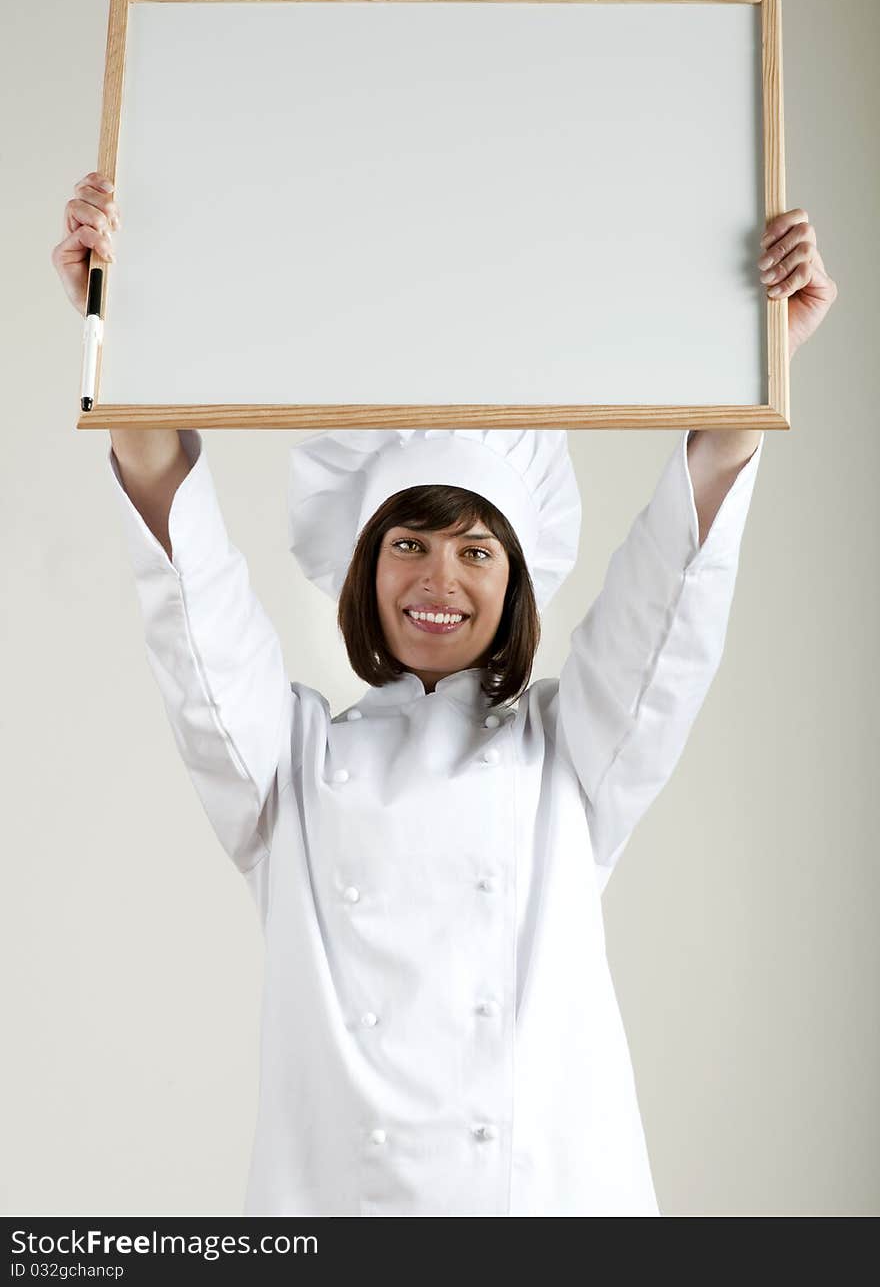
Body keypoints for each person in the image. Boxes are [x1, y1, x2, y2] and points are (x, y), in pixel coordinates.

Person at [52, 171, 838, 1216]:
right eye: (408, 543)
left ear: (514, 578)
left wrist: (759, 361)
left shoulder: (569, 754)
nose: (438, 579)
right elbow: (190, 615)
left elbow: (668, 609)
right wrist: (124, 321)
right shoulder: (287, 767)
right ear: (361, 567)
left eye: (476, 548)